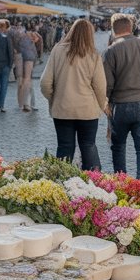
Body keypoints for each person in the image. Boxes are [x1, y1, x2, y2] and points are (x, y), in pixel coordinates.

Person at [40, 19, 108, 170]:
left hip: (63, 108)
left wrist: (55, 98)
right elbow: (100, 86)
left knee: (64, 147)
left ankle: (62, 184)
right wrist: (102, 104)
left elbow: (45, 83)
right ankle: (94, 183)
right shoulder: (93, 54)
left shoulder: (57, 50)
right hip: (87, 110)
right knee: (88, 146)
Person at [103, 14, 140, 182]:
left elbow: (107, 85)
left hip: (120, 105)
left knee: (118, 146)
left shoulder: (110, 51)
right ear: (131, 28)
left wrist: (108, 104)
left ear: (113, 30)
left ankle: (121, 183)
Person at [16, 27, 38, 111]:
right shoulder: (27, 42)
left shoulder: (28, 41)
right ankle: (27, 104)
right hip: (25, 67)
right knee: (27, 85)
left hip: (25, 67)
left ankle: (26, 104)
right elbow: (33, 55)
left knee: (26, 85)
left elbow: (34, 54)